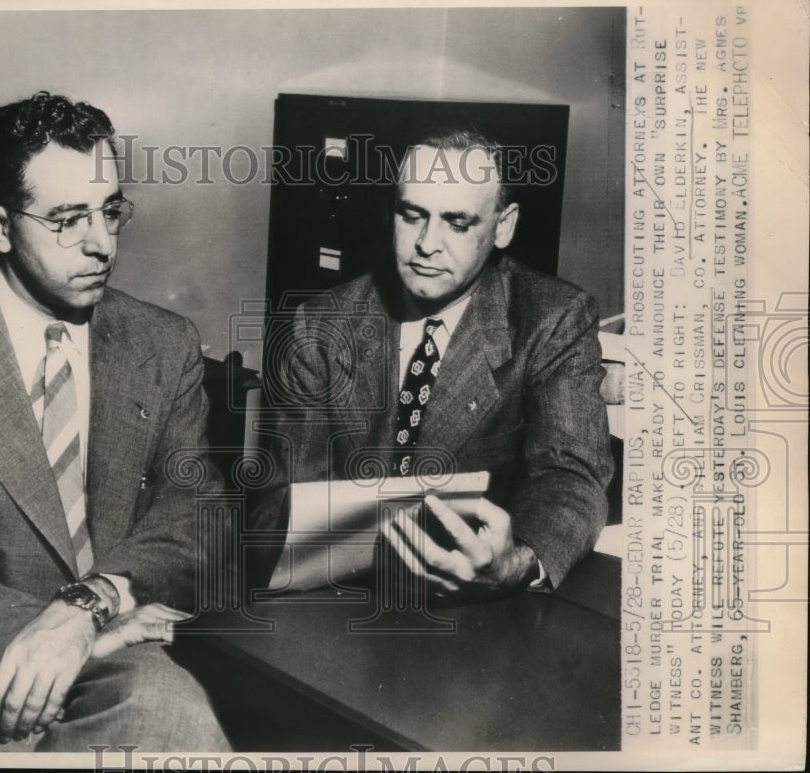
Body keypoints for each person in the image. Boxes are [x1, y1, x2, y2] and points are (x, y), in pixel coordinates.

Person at [0, 92, 230, 751]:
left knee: (172, 714)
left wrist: (89, 605)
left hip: (113, 664)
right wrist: (52, 630)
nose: (101, 243)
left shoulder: (163, 344)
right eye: (69, 219)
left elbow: (194, 511)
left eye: (110, 211)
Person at [254, 123, 613, 598]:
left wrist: (516, 562)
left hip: (482, 604)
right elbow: (286, 499)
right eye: (412, 215)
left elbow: (570, 477)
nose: (426, 243)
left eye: (457, 223)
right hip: (342, 596)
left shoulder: (552, 319)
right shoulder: (320, 325)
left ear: (503, 226)